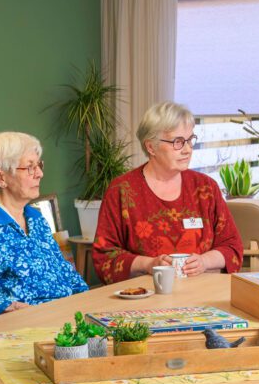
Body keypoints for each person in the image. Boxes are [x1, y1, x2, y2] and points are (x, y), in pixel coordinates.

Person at [92, 101, 243, 284]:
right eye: (177, 142)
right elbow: (104, 258)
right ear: (150, 147)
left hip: (204, 295)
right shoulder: (122, 191)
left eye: (189, 140)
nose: (187, 149)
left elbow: (233, 247)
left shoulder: (206, 188)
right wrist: (148, 264)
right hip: (145, 298)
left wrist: (204, 261)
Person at [0, 132, 88, 321]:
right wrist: (8, 307)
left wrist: (87, 299)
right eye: (30, 167)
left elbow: (64, 271)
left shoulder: (36, 219)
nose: (40, 173)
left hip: (64, 315)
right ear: (1, 178)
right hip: (22, 326)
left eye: (39, 165)